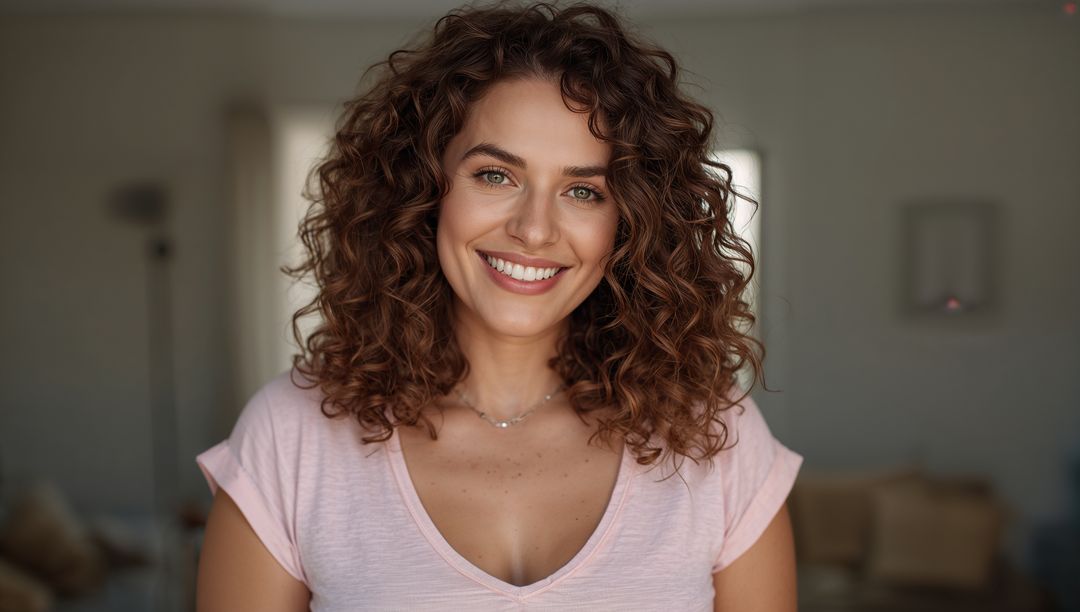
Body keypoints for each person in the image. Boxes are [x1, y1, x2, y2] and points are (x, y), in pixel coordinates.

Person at [195, 2, 803, 610]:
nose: (534, 230)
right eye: (495, 175)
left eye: (584, 190)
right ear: (422, 187)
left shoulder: (716, 435)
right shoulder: (291, 435)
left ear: (631, 225)